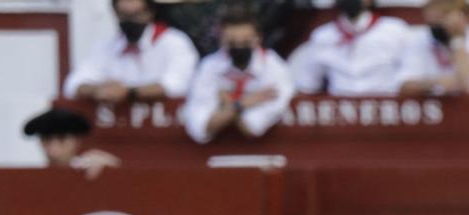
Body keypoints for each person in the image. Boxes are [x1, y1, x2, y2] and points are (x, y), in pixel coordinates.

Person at [181, 6, 293, 144]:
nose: (239, 48)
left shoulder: (274, 67)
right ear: (221, 40)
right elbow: (201, 128)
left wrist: (228, 102)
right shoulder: (209, 66)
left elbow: (252, 127)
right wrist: (242, 104)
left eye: (246, 42)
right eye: (232, 43)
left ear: (258, 39)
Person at [62, 0, 199, 104]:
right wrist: (97, 90)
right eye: (124, 16)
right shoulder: (108, 46)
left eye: (136, 15)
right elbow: (73, 84)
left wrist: (129, 92)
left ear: (149, 12)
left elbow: (179, 84)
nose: (130, 22)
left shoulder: (174, 42)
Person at [289, 0, 408, 96]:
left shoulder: (394, 29)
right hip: (341, 113)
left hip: (385, 108)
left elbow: (409, 77)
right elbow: (308, 86)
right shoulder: (323, 36)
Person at [396, 0, 469, 97]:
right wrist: (435, 83)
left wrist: (457, 39)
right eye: (432, 19)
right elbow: (403, 85)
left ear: (463, 17)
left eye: (441, 17)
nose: (436, 24)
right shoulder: (420, 41)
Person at [21, 106, 121, 177]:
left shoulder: (92, 166)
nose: (53, 146)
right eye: (46, 139)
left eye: (62, 139)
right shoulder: (34, 177)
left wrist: (110, 168)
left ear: (76, 141)